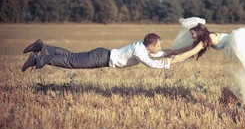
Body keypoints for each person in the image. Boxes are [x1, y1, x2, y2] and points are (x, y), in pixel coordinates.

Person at [21, 33, 172, 72]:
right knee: (72, 62)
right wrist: (168, 64)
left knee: (72, 57)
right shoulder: (140, 52)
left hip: (102, 55)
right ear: (151, 46)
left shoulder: (142, 47)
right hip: (101, 58)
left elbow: (155, 55)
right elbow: (151, 64)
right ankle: (36, 59)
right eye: (158, 46)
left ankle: (42, 47)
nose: (159, 48)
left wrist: (173, 52)